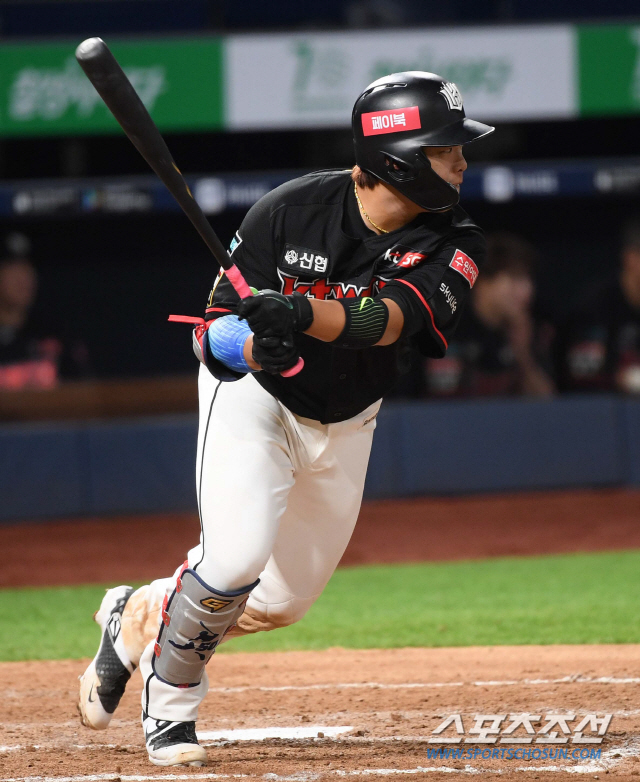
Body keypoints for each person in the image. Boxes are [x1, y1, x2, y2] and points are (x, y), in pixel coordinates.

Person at [77, 71, 494, 767]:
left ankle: (137, 613)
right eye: (446, 150)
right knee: (233, 560)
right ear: (399, 160)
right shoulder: (289, 211)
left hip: (348, 417)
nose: (462, 162)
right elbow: (209, 334)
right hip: (258, 401)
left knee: (279, 602)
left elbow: (389, 319)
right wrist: (248, 345)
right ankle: (171, 703)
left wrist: (297, 313)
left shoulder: (456, 242)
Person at [423, 232, 555, 397]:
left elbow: (549, 404)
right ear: (483, 281)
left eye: (528, 279)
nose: (527, 291)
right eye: (515, 278)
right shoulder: (444, 324)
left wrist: (523, 354)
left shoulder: (532, 326)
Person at [556, 218, 640, 393]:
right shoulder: (595, 306)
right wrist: (630, 379)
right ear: (631, 258)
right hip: (597, 406)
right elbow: (583, 374)